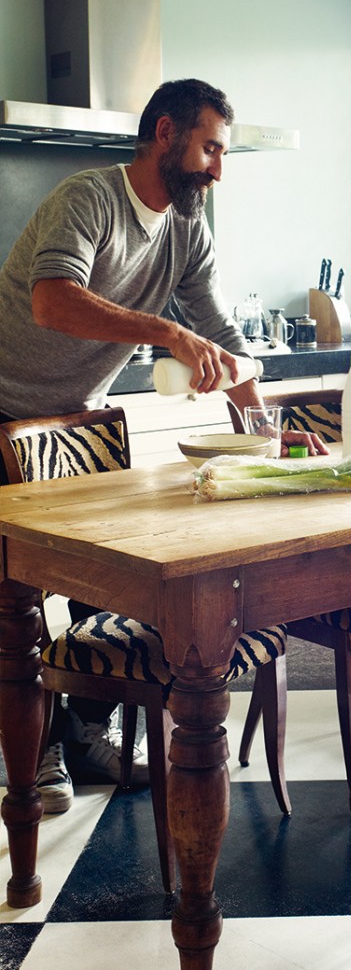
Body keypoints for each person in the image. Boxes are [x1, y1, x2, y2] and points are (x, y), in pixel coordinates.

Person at [0, 78, 327, 813]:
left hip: (75, 419)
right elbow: (52, 300)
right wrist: (165, 330)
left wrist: (265, 433)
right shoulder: (90, 198)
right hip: (1, 406)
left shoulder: (188, 229)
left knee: (103, 588)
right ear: (165, 133)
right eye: (211, 146)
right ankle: (33, 756)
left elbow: (221, 335)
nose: (218, 167)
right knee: (13, 599)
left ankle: (84, 732)